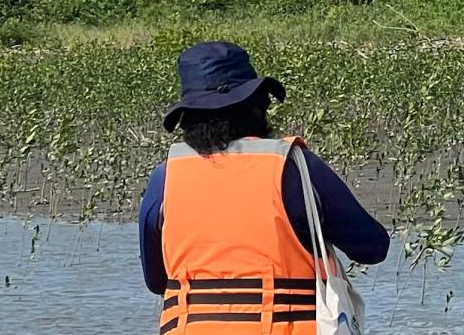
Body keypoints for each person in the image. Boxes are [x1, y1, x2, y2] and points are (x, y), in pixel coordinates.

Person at [139, 41, 389, 334]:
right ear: (256, 107)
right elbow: (373, 248)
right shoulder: (294, 167)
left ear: (187, 117)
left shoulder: (165, 177)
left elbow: (156, 280)